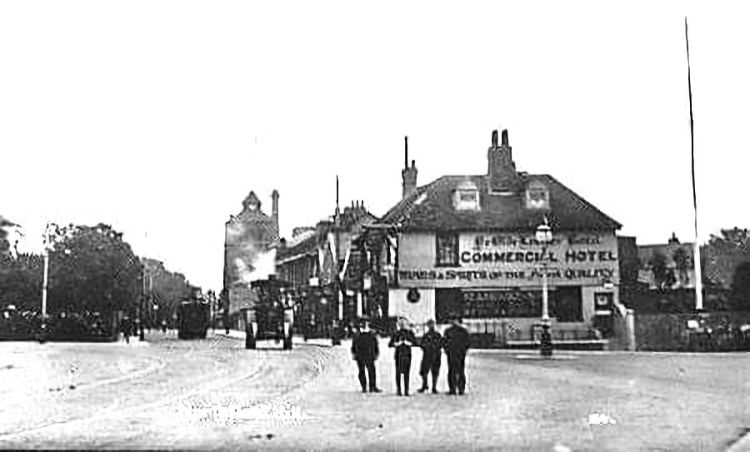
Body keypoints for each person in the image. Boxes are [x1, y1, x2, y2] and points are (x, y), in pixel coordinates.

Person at [351, 318, 381, 393]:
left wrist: (376, 353)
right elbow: (353, 346)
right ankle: (364, 387)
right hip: (360, 355)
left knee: (372, 371)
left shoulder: (371, 334)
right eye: (363, 323)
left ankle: (372, 387)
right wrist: (354, 354)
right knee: (361, 371)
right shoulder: (357, 335)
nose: (365, 325)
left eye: (366, 323)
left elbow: (375, 345)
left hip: (370, 355)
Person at [389, 319, 417, 396]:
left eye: (403, 323)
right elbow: (390, 344)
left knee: (406, 373)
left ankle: (406, 390)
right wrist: (398, 343)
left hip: (407, 354)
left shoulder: (409, 333)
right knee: (398, 373)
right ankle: (399, 390)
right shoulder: (396, 333)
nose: (402, 325)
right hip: (398, 354)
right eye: (400, 324)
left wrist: (407, 343)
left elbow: (415, 342)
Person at [443, 317, 471, 395]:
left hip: (457, 353)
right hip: (455, 353)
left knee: (458, 371)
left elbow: (467, 342)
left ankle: (457, 389)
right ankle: (455, 389)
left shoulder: (450, 331)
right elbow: (445, 342)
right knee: (455, 370)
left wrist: (447, 349)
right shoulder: (461, 331)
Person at [418, 319, 443, 394]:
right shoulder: (426, 335)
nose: (430, 326)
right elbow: (422, 344)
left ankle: (434, 387)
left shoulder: (437, 335)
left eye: (431, 324)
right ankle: (425, 385)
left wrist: (434, 348)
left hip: (435, 355)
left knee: (434, 371)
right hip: (428, 355)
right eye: (429, 325)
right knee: (424, 371)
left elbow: (441, 344)